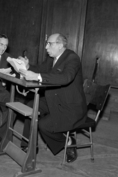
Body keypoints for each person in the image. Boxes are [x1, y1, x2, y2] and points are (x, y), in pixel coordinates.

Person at [19, 33, 87, 163]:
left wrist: (38, 77)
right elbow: (39, 69)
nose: (46, 47)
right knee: (30, 106)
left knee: (44, 125)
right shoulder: (52, 58)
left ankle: (68, 141)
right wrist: (28, 67)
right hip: (54, 99)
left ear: (60, 45)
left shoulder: (72, 58)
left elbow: (65, 78)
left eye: (49, 44)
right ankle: (28, 144)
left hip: (70, 106)